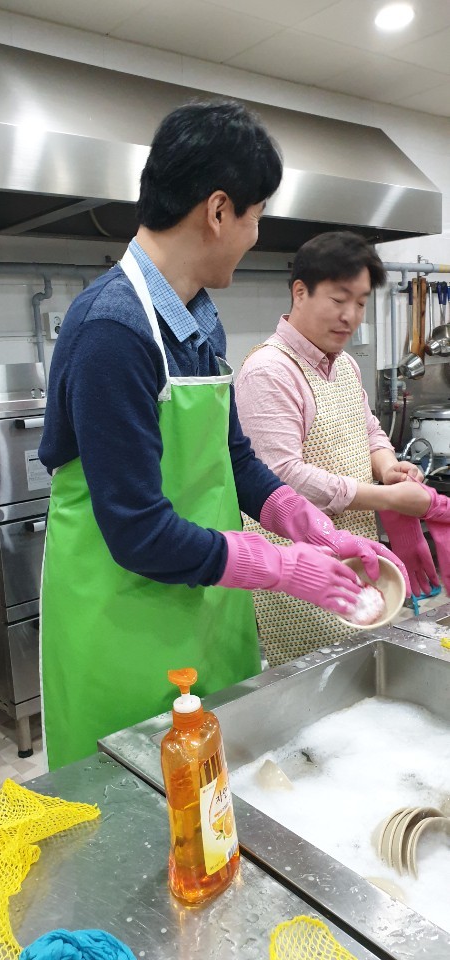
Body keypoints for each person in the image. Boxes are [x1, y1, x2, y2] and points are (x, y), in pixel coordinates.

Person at [39, 105, 409, 771]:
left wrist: (309, 526)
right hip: (122, 626)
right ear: (217, 211)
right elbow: (137, 532)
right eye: (255, 215)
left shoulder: (197, 320)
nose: (255, 233)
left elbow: (233, 457)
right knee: (139, 803)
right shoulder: (112, 330)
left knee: (219, 788)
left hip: (206, 607)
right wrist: (282, 567)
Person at [236, 231, 446, 666]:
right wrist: (389, 498)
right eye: (338, 299)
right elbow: (281, 477)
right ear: (300, 291)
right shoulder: (269, 371)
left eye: (361, 303)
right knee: (313, 677)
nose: (350, 316)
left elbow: (369, 430)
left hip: (356, 550)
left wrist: (387, 467)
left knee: (360, 669)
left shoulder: (345, 363)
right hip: (299, 565)